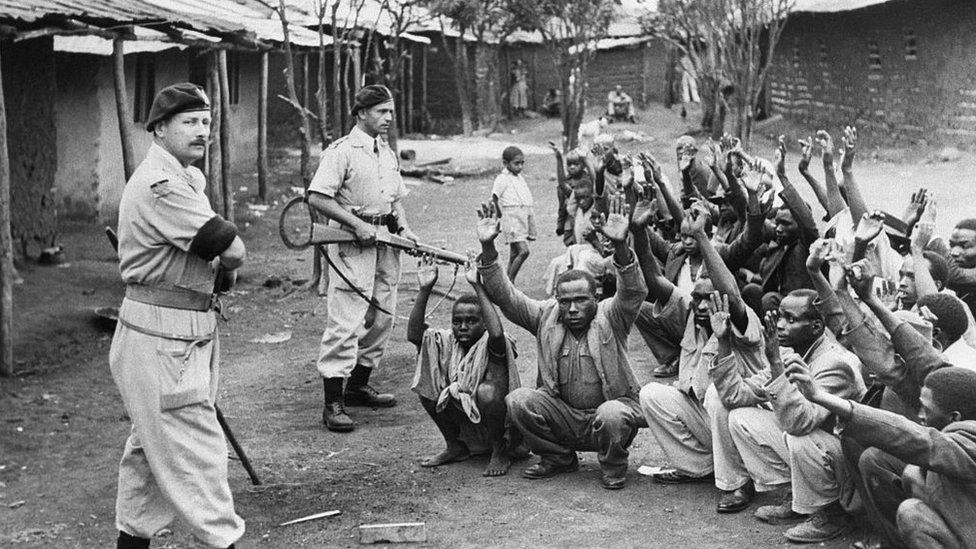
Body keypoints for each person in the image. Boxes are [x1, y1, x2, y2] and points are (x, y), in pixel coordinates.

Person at [111, 83, 246, 549]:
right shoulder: (162, 184)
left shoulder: (186, 178)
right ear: (160, 128)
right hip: (162, 338)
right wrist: (225, 266)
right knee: (200, 460)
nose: (202, 131)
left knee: (150, 462)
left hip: (178, 332)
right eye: (189, 122)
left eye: (206, 121)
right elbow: (233, 248)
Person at [478, 194, 648, 490]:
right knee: (518, 401)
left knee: (612, 414)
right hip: (564, 415)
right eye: (565, 300)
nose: (571, 309)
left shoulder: (612, 316)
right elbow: (506, 296)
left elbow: (633, 291)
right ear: (557, 300)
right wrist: (488, 247)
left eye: (580, 300)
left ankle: (612, 465)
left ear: (595, 297)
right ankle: (557, 457)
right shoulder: (546, 316)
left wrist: (621, 246)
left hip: (608, 414)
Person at [635, 203, 768, 513]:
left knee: (717, 394)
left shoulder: (740, 319)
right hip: (708, 416)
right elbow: (655, 282)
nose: (702, 304)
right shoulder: (693, 316)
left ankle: (737, 480)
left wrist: (701, 237)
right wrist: (638, 232)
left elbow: (732, 294)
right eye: (697, 297)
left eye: (710, 297)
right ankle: (700, 467)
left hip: (745, 418)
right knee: (652, 394)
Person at [307, 84, 420, 433]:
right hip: (353, 244)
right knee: (347, 319)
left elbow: (394, 199)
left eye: (390, 111)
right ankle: (333, 402)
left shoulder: (385, 151)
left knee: (384, 315)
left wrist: (406, 229)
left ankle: (357, 385)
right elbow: (317, 197)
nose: (388, 118)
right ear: (360, 114)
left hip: (386, 241)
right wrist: (356, 225)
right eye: (380, 111)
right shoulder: (342, 151)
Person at [726, 292, 866, 543]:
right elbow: (736, 396)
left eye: (790, 319)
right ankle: (797, 497)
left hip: (850, 464)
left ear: (815, 327)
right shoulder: (794, 350)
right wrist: (724, 343)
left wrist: (776, 364)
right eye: (780, 316)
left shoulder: (835, 362)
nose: (779, 324)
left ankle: (833, 514)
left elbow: (799, 424)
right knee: (741, 418)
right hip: (819, 447)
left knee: (799, 438)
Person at [788, 364, 976, 549]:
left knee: (911, 513)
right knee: (911, 474)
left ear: (955, 418)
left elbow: (919, 439)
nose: (920, 415)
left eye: (927, 409)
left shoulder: (969, 444)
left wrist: (821, 397)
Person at [408, 255, 522, 477]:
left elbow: (496, 332)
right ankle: (455, 445)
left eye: (471, 321)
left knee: (487, 391)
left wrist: (477, 286)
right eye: (457, 321)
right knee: (428, 385)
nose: (462, 327)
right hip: (467, 422)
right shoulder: (448, 341)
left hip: (502, 428)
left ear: (484, 322)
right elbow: (415, 336)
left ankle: (499, 451)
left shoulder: (493, 341)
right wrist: (425, 290)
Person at [491, 146, 536, 283]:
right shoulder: (502, 178)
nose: (520, 166)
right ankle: (510, 280)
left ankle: (506, 282)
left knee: (514, 253)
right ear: (505, 163)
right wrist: (499, 214)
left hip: (522, 216)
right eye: (516, 163)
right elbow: (494, 197)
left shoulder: (519, 178)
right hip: (511, 218)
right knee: (524, 251)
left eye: (522, 163)